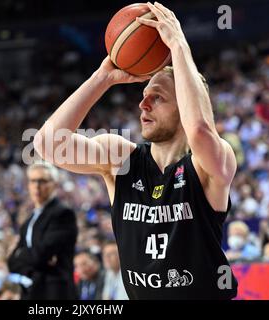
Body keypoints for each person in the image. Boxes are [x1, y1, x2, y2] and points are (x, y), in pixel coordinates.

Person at [34, 2, 238, 299]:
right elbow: (47, 145)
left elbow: (199, 130)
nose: (143, 104)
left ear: (186, 106)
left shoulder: (210, 165)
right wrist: (101, 79)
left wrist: (179, 46)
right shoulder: (122, 159)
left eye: (158, 97)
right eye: (144, 95)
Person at [7, 161, 78, 299]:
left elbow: (41, 254)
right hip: (32, 291)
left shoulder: (63, 213)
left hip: (56, 293)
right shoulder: (29, 220)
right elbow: (12, 262)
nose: (37, 186)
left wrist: (20, 254)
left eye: (42, 181)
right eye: (33, 181)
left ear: (55, 184)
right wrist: (29, 258)